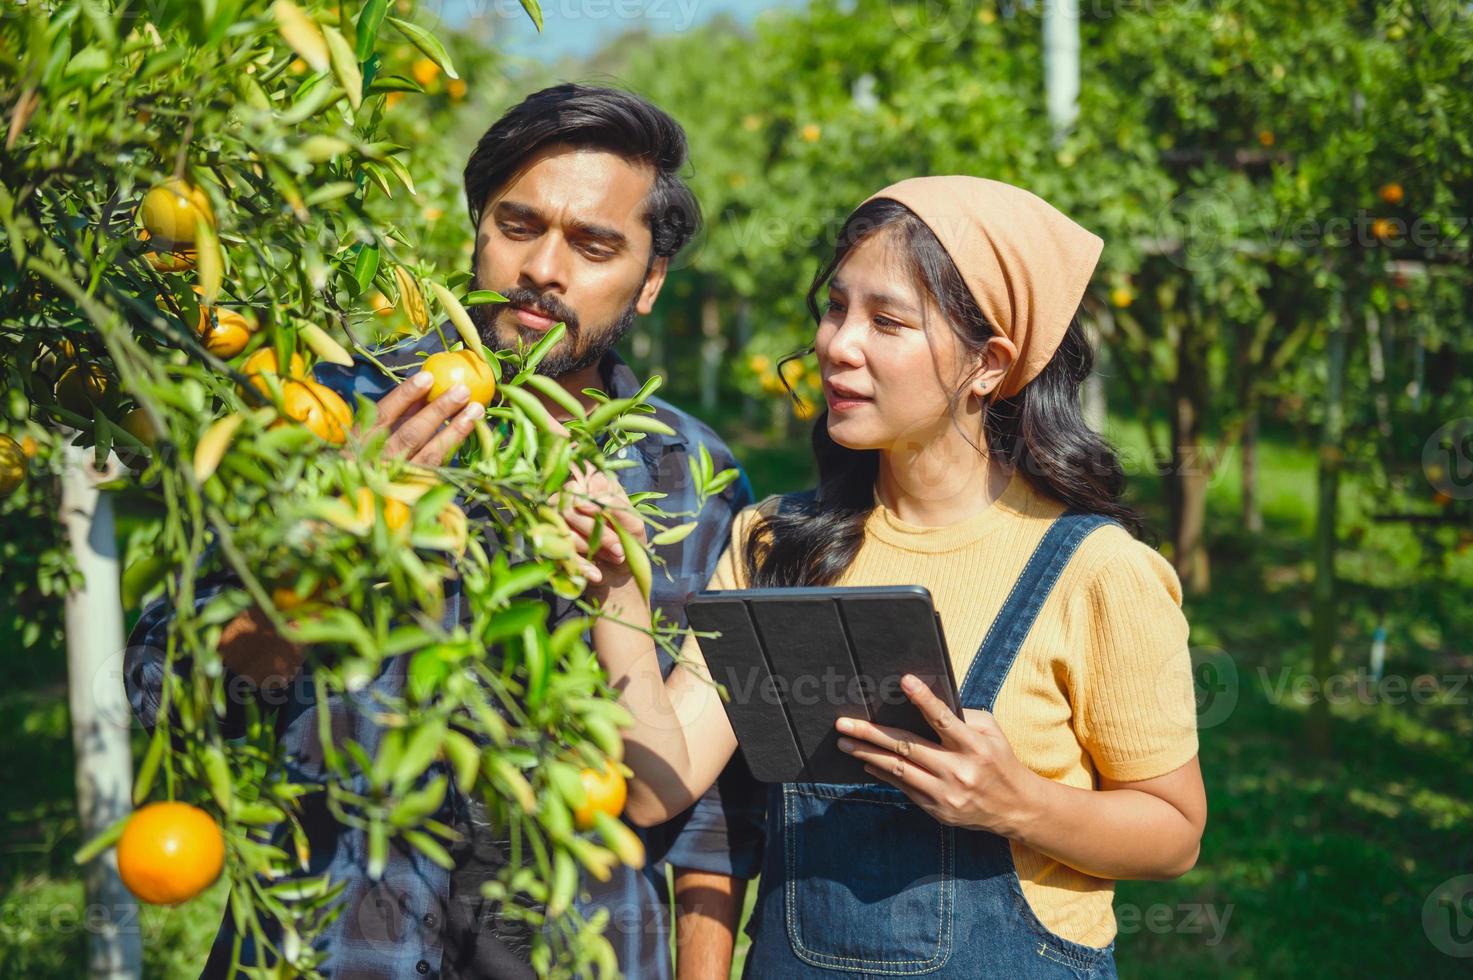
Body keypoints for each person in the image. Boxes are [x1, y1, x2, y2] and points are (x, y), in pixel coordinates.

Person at [124, 84, 765, 979]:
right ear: (476, 229)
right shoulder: (330, 410)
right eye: (518, 225)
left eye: (594, 245)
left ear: (648, 281)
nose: (545, 267)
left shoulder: (686, 480)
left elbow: (708, 823)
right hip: (341, 946)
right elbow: (169, 693)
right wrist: (335, 546)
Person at [556, 176, 1208, 978]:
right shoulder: (773, 546)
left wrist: (1019, 804)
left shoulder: (1095, 571)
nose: (838, 344)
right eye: (835, 308)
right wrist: (615, 589)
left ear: (988, 365)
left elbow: (1173, 832)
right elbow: (659, 787)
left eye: (886, 320)